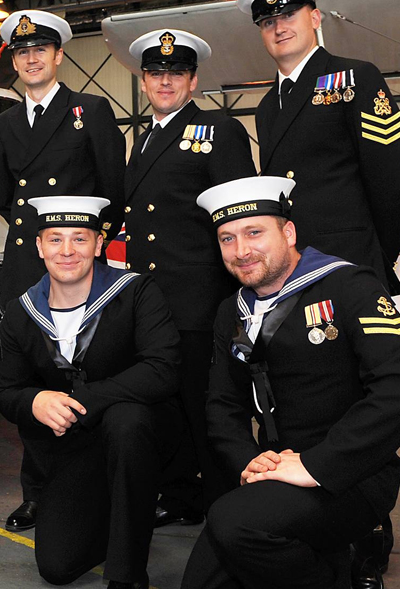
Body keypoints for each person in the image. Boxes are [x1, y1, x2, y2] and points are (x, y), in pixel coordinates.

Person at [237, 0, 400, 586]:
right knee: (307, 404)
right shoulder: (267, 102)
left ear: (316, 15)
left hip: (347, 273)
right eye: (266, 19)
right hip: (292, 281)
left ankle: (371, 532)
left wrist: (372, 264)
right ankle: (319, 514)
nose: (278, 24)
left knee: (362, 405)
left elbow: (391, 181)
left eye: (290, 12)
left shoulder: (353, 77)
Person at [181, 177, 400, 589]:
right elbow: (222, 405)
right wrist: (248, 461)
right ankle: (330, 563)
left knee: (234, 523)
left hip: (354, 474)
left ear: (288, 232)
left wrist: (315, 465)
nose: (241, 251)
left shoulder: (349, 287)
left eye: (255, 232)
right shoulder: (230, 312)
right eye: (227, 238)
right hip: (275, 473)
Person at [0, 196, 181, 588]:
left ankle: (127, 575)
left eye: (79, 239)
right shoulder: (20, 312)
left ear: (98, 245)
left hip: (138, 439)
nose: (67, 251)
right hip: (72, 450)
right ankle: (119, 514)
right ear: (39, 246)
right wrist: (35, 400)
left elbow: (162, 370)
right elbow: (6, 391)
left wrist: (86, 400)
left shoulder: (136, 293)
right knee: (57, 567)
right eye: (55, 239)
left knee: (125, 420)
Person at [0, 9, 127, 533]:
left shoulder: (89, 110)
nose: (30, 58)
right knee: (33, 380)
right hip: (30, 263)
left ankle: (96, 484)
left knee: (92, 373)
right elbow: (7, 198)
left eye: (40, 49)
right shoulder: (3, 123)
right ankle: (37, 491)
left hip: (81, 264)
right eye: (21, 51)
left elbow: (114, 189)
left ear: (59, 54)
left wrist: (78, 249)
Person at [124, 29, 256, 527]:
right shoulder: (143, 140)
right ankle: (181, 497)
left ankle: (225, 504)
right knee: (167, 408)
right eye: (156, 73)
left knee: (208, 411)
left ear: (193, 81)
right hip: (152, 301)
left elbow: (239, 218)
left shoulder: (218, 130)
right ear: (143, 82)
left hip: (199, 299)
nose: (165, 81)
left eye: (175, 73)